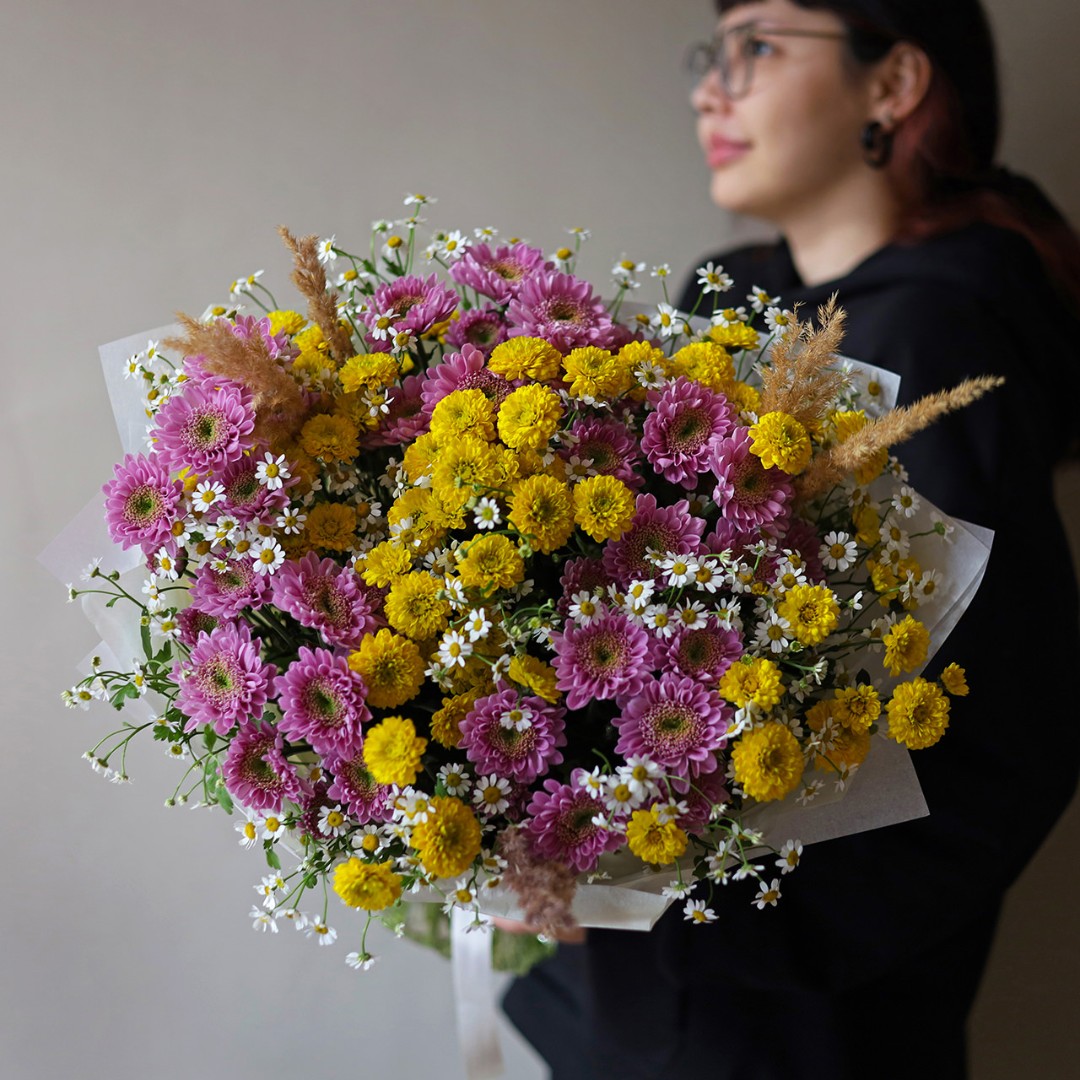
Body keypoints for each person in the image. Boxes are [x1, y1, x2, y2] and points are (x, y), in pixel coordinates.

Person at [501, 2, 1080, 1077]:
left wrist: (702, 923)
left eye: (759, 47)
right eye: (713, 54)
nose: (708, 92)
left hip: (787, 1026)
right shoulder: (727, 302)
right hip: (634, 999)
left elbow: (1006, 735)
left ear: (893, 83)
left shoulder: (937, 335)